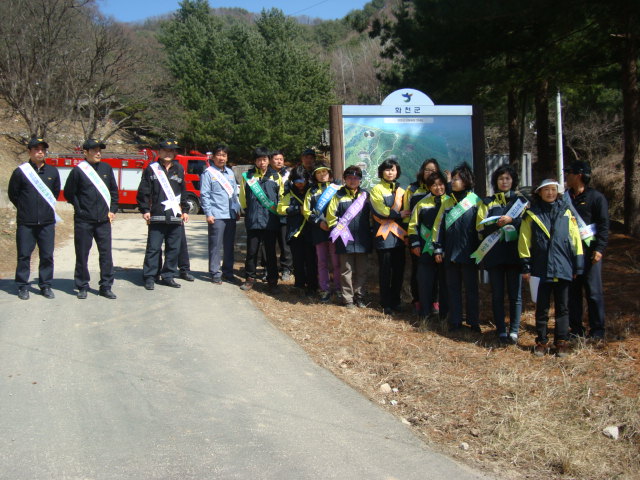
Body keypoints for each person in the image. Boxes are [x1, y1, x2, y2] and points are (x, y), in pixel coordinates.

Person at [519, 179, 584, 357]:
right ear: (539, 193)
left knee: (563, 308)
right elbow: (524, 241)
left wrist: (578, 265)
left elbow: (575, 239)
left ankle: (561, 342)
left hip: (563, 267)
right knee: (542, 308)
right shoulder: (531, 214)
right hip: (540, 268)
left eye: (553, 189)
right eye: (546, 190)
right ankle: (541, 342)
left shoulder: (567, 212)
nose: (550, 193)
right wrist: (526, 266)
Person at [476, 165, 528, 344]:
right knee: (497, 295)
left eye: (507, 178)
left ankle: (514, 330)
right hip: (495, 255)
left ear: (513, 181)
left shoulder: (521, 202)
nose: (504, 182)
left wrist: (513, 220)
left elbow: (527, 225)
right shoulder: (487, 202)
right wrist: (496, 225)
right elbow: (480, 228)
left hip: (514, 254)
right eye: (500, 179)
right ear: (495, 181)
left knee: (515, 295)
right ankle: (501, 330)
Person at [63, 139, 119, 299]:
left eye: (99, 150)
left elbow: (113, 192)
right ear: (85, 152)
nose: (98, 153)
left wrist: (112, 210)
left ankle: (106, 286)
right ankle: (82, 285)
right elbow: (69, 193)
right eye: (94, 150)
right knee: (82, 254)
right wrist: (80, 209)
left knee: (106, 255)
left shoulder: (106, 168)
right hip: (84, 221)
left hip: (103, 221)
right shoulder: (78, 171)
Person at [8, 137, 60, 300]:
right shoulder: (20, 172)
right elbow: (13, 194)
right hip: (26, 222)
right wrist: (26, 208)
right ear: (29, 151)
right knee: (24, 255)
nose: (40, 152)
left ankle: (45, 285)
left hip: (47, 222)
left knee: (47, 255)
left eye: (43, 149)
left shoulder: (52, 172)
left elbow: (55, 193)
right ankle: (22, 286)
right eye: (36, 149)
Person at [433, 162, 482, 332]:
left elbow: (481, 228)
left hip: (470, 252)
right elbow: (438, 226)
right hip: (450, 252)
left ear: (466, 181)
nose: (453, 182)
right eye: (453, 179)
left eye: (457, 179)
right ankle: (455, 320)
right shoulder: (447, 202)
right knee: (452, 288)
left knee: (471, 289)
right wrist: (438, 248)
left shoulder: (475, 201)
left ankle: (473, 322)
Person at [564, 161, 609, 340]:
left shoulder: (596, 198)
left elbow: (604, 225)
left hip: (590, 252)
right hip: (570, 253)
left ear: (579, 175)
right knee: (572, 292)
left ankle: (597, 330)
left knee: (593, 292)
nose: (566, 176)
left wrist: (600, 248)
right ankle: (576, 329)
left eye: (569, 173)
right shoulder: (564, 198)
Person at [137, 139, 190, 290]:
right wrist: (145, 210)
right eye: (165, 150)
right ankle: (150, 276)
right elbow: (144, 191)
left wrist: (185, 210)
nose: (168, 153)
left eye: (171, 150)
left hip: (175, 216)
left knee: (173, 249)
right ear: (159, 152)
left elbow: (183, 191)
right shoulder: (151, 169)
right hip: (157, 216)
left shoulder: (179, 169)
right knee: (153, 248)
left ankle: (168, 276)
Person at [326, 165, 372, 309]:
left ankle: (359, 296)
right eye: (349, 178)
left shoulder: (366, 196)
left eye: (356, 178)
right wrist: (338, 230)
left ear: (360, 180)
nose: (353, 181)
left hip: (363, 239)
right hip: (344, 239)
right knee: (346, 271)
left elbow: (372, 217)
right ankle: (347, 299)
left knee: (362, 270)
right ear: (345, 179)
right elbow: (330, 217)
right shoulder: (338, 196)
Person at [407, 170, 450, 324]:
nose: (438, 188)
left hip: (445, 250)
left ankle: (444, 315)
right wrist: (415, 243)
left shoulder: (451, 203)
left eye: (441, 184)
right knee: (424, 282)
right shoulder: (421, 204)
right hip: (426, 250)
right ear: (429, 187)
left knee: (445, 283)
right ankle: (424, 313)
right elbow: (413, 226)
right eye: (434, 185)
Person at [239, 146, 283, 292]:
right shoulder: (248, 176)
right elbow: (243, 198)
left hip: (271, 221)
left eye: (264, 159)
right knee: (252, 252)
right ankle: (249, 279)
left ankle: (272, 281)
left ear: (268, 160)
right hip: (253, 220)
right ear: (255, 161)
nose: (262, 162)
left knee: (270, 253)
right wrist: (248, 212)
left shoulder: (276, 177)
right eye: (259, 160)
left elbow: (281, 197)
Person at [370, 158, 410, 315]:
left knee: (399, 270)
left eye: (393, 169)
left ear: (397, 172)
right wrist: (397, 215)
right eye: (387, 169)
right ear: (381, 172)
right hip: (384, 236)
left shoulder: (402, 191)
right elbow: (379, 210)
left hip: (399, 236)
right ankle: (385, 302)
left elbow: (407, 213)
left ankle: (396, 301)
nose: (390, 172)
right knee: (385, 271)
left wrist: (406, 232)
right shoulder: (376, 189)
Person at [200, 144, 241, 284]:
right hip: (216, 215)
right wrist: (208, 213)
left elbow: (234, 193)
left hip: (230, 214)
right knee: (215, 245)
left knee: (229, 245)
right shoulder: (208, 173)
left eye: (224, 155)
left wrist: (236, 210)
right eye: (219, 155)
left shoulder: (230, 173)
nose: (221, 158)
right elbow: (204, 195)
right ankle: (215, 272)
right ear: (213, 157)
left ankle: (228, 272)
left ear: (227, 157)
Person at [303, 163, 342, 303]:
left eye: (324, 172)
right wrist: (319, 223)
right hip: (318, 230)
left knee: (337, 262)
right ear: (315, 175)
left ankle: (338, 288)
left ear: (329, 173)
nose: (322, 175)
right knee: (322, 261)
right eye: (319, 173)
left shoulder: (338, 188)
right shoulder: (311, 191)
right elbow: (306, 211)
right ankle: (324, 289)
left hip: (335, 230)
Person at [276, 165, 318, 295]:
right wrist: (296, 209)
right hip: (295, 231)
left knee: (311, 260)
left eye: (302, 181)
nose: (300, 184)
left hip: (310, 230)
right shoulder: (289, 191)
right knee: (298, 260)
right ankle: (299, 284)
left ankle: (312, 286)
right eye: (296, 181)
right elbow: (280, 208)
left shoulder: (313, 190)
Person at [270, 150, 293, 281]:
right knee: (268, 243)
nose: (279, 161)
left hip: (284, 213)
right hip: (269, 213)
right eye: (276, 159)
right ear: (270, 160)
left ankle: (286, 268)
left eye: (281, 159)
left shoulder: (289, 174)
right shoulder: (266, 174)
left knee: (285, 243)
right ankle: (268, 268)